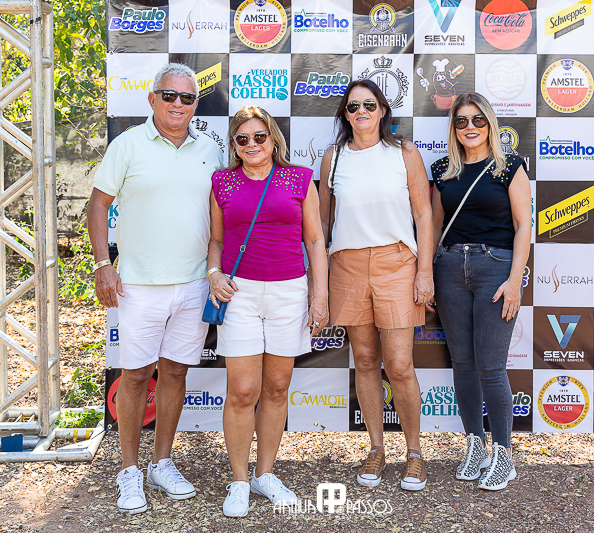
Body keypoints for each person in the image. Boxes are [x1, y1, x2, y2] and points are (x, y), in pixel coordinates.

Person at [87, 63, 223, 515]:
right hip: (138, 286)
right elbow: (98, 204)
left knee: (176, 373)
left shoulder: (210, 149)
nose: (178, 104)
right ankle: (129, 470)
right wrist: (103, 265)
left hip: (193, 283)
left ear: (195, 104)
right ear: (152, 99)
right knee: (134, 376)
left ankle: (162, 462)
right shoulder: (127, 145)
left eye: (187, 98)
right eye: (169, 96)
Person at [207, 106, 328, 517]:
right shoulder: (222, 181)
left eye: (259, 136)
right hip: (238, 294)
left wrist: (319, 296)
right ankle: (240, 480)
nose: (252, 144)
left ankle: (265, 474)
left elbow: (315, 241)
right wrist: (213, 274)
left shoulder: (299, 178)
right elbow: (216, 241)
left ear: (273, 139)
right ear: (234, 145)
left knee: (276, 388)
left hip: (289, 292)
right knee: (243, 390)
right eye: (242, 139)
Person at [319, 80, 434, 491]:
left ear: (383, 109)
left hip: (397, 264)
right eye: (353, 107)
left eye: (369, 104)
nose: (361, 112)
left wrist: (424, 272)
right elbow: (323, 222)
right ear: (345, 115)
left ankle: (415, 453)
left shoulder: (404, 153)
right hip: (347, 266)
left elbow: (424, 216)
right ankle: (376, 449)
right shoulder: (333, 158)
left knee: (399, 365)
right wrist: (318, 279)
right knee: (365, 361)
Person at [429, 92, 531, 491]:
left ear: (490, 124)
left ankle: (504, 455)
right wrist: (427, 273)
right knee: (463, 363)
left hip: (495, 269)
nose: (469, 128)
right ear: (453, 128)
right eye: (461, 121)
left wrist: (515, 280)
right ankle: (476, 446)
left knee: (491, 365)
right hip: (450, 269)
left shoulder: (509, 167)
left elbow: (524, 226)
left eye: (478, 120)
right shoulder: (442, 170)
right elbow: (434, 226)